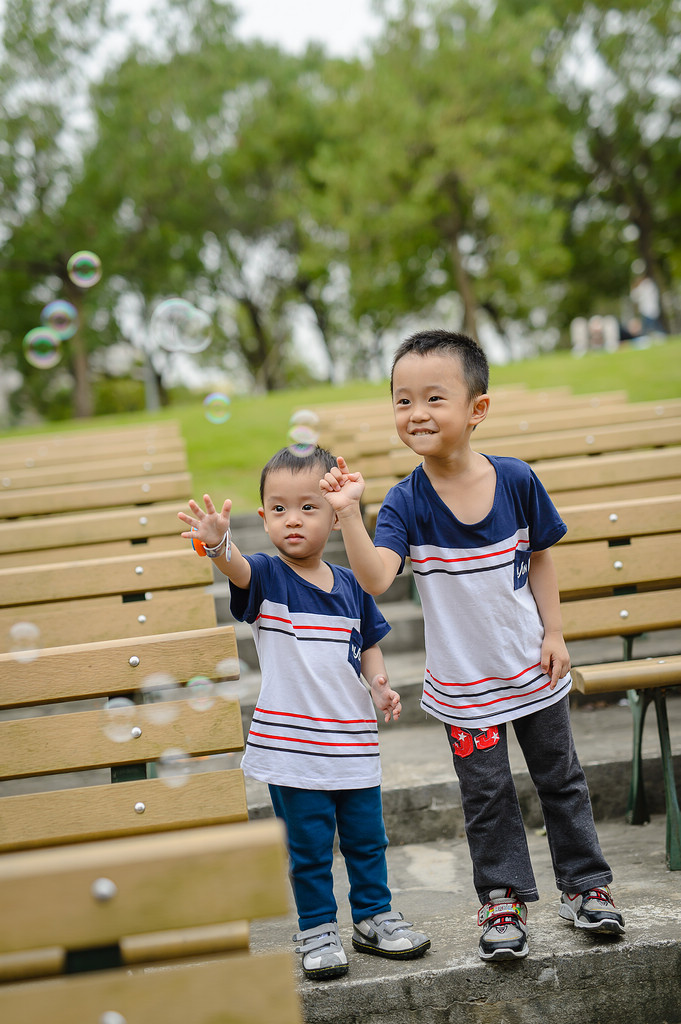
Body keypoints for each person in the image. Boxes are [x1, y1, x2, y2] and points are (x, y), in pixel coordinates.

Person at [319, 329, 625, 962]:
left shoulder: (515, 480)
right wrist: (350, 514)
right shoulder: (405, 500)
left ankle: (587, 889)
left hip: (532, 668)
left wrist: (557, 632)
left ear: (477, 409)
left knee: (561, 779)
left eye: (435, 397)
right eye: (402, 401)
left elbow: (540, 558)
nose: (417, 413)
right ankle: (502, 901)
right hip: (464, 687)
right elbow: (376, 579)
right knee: (486, 796)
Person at [178, 446, 430, 980]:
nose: (292, 519)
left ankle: (374, 917)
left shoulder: (352, 586)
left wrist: (379, 684)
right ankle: (317, 928)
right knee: (310, 847)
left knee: (367, 840)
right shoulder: (268, 578)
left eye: (308, 507)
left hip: (353, 741)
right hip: (293, 748)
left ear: (335, 513)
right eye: (278, 508)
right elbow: (235, 566)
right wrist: (218, 542)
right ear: (265, 516)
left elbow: (368, 644)